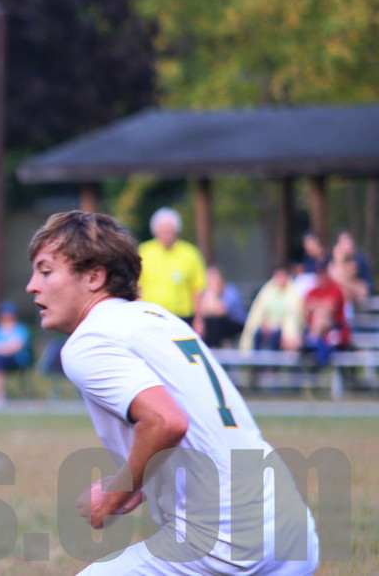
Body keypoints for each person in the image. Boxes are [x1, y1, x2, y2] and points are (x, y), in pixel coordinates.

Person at [26, 210, 318, 574]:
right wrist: (139, 483)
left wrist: (114, 494)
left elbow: (166, 422)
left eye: (46, 271)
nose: (32, 285)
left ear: (94, 277)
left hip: (227, 536)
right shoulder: (159, 319)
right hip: (292, 527)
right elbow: (197, 420)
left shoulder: (89, 341)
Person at [136, 207, 207, 329]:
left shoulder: (190, 253)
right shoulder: (144, 251)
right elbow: (136, 285)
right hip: (150, 316)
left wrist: (199, 319)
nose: (167, 234)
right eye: (163, 230)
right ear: (155, 231)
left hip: (182, 317)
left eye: (170, 230)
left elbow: (198, 288)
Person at [239, 264, 302, 353]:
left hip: (281, 327)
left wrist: (278, 326)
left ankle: (273, 361)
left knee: (275, 336)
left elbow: (293, 315)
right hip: (267, 325)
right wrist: (264, 324)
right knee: (257, 334)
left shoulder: (292, 292)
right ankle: (256, 359)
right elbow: (259, 311)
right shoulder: (267, 291)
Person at [302, 261, 350, 368]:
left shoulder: (335, 289)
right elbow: (305, 308)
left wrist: (316, 305)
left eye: (322, 273)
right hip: (315, 330)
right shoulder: (312, 292)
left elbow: (331, 306)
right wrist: (321, 304)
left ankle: (312, 339)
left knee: (321, 313)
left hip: (334, 328)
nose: (320, 277)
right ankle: (313, 340)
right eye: (318, 274)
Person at [196, 264, 247, 348]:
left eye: (213, 277)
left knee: (215, 321)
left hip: (236, 323)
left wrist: (212, 293)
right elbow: (203, 312)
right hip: (220, 325)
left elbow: (221, 311)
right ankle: (211, 348)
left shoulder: (230, 290)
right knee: (208, 321)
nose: (211, 281)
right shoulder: (207, 292)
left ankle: (216, 347)